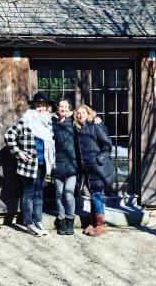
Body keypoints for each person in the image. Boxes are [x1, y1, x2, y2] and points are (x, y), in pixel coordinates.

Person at [4, 92, 55, 237]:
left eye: (43, 105)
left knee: (39, 193)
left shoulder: (48, 121)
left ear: (47, 106)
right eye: (38, 105)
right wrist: (19, 153)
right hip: (29, 165)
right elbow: (9, 135)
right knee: (28, 194)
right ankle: (29, 223)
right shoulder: (26, 120)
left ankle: (38, 220)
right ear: (34, 106)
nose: (41, 108)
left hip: (43, 163)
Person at [74, 104, 113, 237]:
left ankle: (101, 226)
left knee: (96, 195)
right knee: (94, 195)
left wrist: (99, 160)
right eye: (78, 113)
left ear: (88, 113)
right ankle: (93, 223)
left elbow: (107, 144)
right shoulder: (79, 129)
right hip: (87, 169)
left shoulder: (95, 126)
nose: (81, 115)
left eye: (83, 112)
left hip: (97, 168)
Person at [51, 97, 78, 235]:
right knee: (59, 193)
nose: (63, 108)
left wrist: (96, 117)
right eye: (61, 106)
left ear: (69, 108)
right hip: (57, 165)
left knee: (68, 194)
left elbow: (87, 118)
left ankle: (70, 219)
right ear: (57, 107)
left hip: (71, 164)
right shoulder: (51, 122)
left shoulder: (73, 121)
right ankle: (61, 220)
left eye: (66, 106)